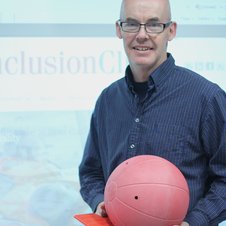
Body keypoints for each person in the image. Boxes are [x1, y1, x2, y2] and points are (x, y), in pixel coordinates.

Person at [79, 0, 226, 225]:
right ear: (119, 29)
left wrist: (195, 222)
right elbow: (90, 172)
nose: (142, 35)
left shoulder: (207, 98)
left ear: (171, 30)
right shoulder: (108, 100)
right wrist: (101, 201)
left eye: (154, 25)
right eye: (131, 24)